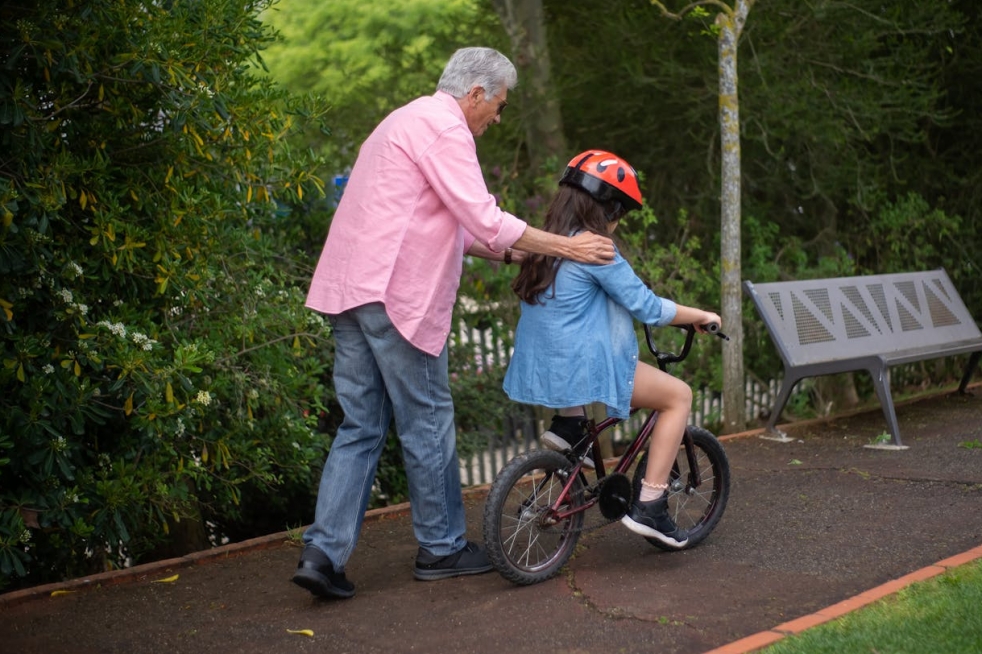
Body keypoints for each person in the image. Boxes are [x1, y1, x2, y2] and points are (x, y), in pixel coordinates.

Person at [294, 48, 617, 600]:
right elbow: (486, 217)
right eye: (498, 105)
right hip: (394, 296)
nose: (498, 117)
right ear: (475, 94)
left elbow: (462, 231)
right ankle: (442, 548)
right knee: (427, 423)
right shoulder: (445, 130)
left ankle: (323, 553)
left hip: (349, 291)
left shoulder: (401, 121)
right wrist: (569, 247)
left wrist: (526, 256)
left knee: (361, 427)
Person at [502, 150, 721, 549]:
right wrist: (698, 315)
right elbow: (648, 307)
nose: (619, 223)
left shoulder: (546, 246)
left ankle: (570, 428)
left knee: (572, 344)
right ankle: (651, 506)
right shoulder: (596, 250)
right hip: (583, 368)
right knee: (678, 397)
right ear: (607, 209)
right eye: (620, 212)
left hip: (543, 367)